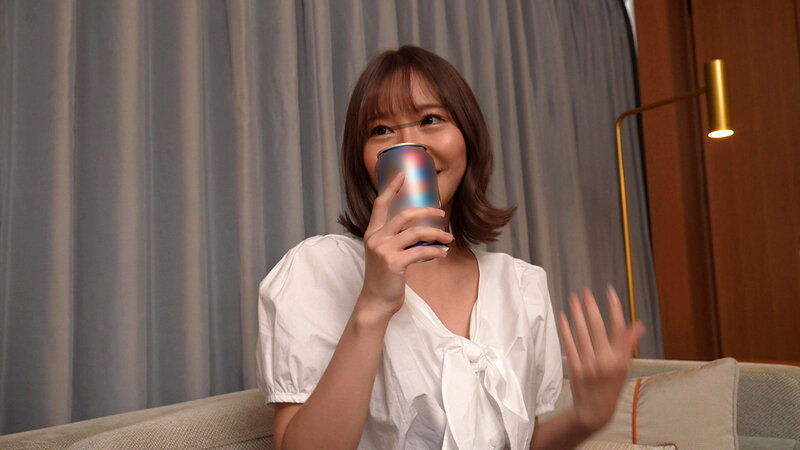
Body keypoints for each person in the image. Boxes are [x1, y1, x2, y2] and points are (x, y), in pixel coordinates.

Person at [256, 45, 645, 450]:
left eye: (430, 119)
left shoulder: (521, 285)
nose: (410, 147)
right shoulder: (317, 271)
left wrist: (585, 419)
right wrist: (372, 305)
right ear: (363, 160)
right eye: (382, 130)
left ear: (468, 137)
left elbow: (521, 442)